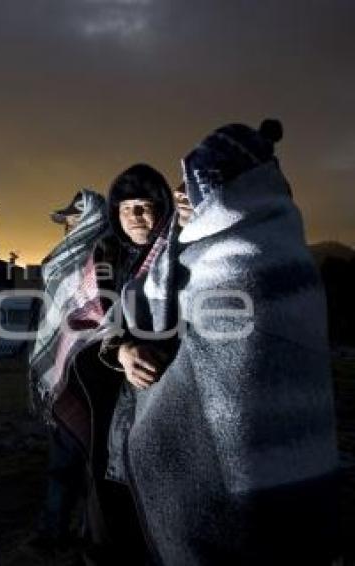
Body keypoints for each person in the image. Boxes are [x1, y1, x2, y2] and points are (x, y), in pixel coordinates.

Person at [124, 120, 340, 564]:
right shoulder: (255, 250)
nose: (181, 194)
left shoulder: (251, 262)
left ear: (233, 189)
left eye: (197, 182)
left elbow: (227, 369)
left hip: (244, 481)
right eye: (182, 184)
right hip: (301, 471)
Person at [27, 190, 113, 556]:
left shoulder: (105, 252)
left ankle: (91, 531)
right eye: (67, 220)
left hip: (97, 364)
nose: (69, 225)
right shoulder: (65, 254)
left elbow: (104, 306)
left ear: (92, 217)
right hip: (65, 362)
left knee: (96, 458)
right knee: (64, 455)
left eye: (74, 218)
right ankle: (56, 528)